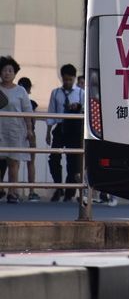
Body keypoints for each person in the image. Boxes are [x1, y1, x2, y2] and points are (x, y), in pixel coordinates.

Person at [0, 56, 35, 203]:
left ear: (15, 73)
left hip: (15, 130)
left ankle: (12, 192)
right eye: (4, 70)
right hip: (0, 129)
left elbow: (27, 111)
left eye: (10, 70)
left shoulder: (21, 91)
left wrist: (29, 129)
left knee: (13, 162)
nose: (7, 73)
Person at [47, 63, 84, 202]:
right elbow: (51, 112)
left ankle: (69, 192)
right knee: (54, 158)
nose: (68, 82)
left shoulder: (81, 93)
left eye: (70, 79)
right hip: (60, 127)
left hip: (74, 129)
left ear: (74, 78)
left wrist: (77, 107)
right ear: (62, 78)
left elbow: (85, 111)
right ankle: (58, 187)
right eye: (65, 79)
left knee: (72, 162)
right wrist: (48, 131)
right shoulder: (56, 92)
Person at [16, 77, 40, 201]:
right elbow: (33, 119)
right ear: (30, 89)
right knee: (30, 163)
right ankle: (31, 191)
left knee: (15, 162)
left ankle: (13, 191)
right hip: (30, 134)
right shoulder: (32, 103)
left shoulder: (15, 99)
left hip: (18, 133)